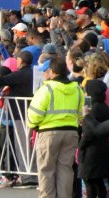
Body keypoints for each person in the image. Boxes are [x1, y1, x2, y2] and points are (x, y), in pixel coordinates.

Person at [27, 57, 83, 197]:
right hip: (71, 132)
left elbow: (34, 114)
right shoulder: (77, 89)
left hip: (49, 133)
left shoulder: (46, 89)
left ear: (52, 71)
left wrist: (33, 126)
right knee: (65, 169)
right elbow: (81, 113)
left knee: (47, 170)